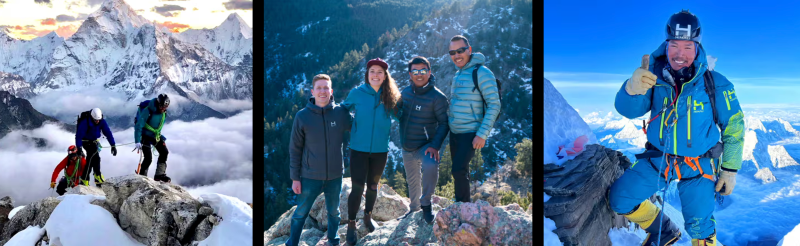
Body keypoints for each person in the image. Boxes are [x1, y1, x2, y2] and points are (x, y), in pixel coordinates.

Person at [607, 10, 743, 246]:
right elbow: (629, 110)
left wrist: (730, 169)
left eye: (688, 47)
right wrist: (631, 88)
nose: (680, 54)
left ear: (697, 47)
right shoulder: (650, 75)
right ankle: (665, 230)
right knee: (620, 199)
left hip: (698, 165)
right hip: (658, 159)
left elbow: (734, 126)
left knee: (700, 227)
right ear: (666, 45)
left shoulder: (715, 82)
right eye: (674, 46)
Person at [286, 74, 352, 246]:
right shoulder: (302, 117)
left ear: (331, 91)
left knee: (334, 212)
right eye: (319, 88)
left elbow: (359, 128)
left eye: (326, 88)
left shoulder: (341, 114)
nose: (322, 91)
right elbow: (295, 149)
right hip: (309, 176)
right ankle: (292, 243)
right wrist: (295, 178)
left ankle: (333, 241)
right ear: (312, 91)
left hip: (335, 175)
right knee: (301, 212)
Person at [342, 57, 401, 244]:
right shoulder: (357, 93)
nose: (375, 75)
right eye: (372, 71)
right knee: (357, 188)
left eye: (380, 72)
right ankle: (352, 223)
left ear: (385, 76)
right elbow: (343, 111)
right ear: (367, 74)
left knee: (373, 186)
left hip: (380, 150)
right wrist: (353, 126)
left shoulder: (390, 96)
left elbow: (400, 117)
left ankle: (367, 217)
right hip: (358, 149)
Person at [446, 35, 501, 203]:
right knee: (460, 172)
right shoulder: (459, 73)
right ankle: (461, 205)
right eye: (452, 52)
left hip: (470, 132)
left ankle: (462, 209)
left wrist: (482, 134)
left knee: (458, 170)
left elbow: (494, 104)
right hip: (455, 132)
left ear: (469, 50)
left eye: (460, 51)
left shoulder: (482, 72)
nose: (456, 55)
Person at [397, 56, 449, 224]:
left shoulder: (437, 97)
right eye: (415, 71)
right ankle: (413, 209)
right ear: (410, 74)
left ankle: (426, 204)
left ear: (429, 72)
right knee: (412, 180)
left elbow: (444, 123)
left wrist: (435, 146)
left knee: (431, 165)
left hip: (425, 146)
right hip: (407, 146)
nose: (419, 75)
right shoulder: (405, 92)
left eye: (423, 71)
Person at [133, 94, 172, 183]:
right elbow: (139, 126)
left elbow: (158, 126)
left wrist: (160, 136)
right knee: (148, 158)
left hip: (155, 136)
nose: (163, 108)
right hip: (144, 136)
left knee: (164, 152)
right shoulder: (148, 111)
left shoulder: (163, 113)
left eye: (165, 107)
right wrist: (137, 141)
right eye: (162, 106)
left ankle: (159, 175)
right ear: (158, 104)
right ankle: (143, 177)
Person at [75, 108, 117, 187]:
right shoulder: (85, 122)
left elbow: (107, 132)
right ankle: (94, 176)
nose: (97, 121)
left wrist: (113, 145)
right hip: (85, 141)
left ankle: (88, 178)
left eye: (98, 120)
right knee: (93, 156)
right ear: (91, 117)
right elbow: (79, 136)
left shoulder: (102, 121)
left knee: (94, 158)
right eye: (95, 120)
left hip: (94, 141)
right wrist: (79, 147)